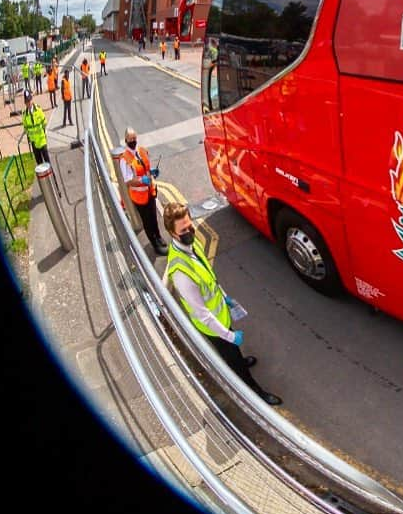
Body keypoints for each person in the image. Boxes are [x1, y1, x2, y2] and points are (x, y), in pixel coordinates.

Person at [162, 201, 282, 406]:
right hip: (213, 326)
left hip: (221, 315)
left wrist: (224, 296)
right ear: (173, 234)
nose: (189, 230)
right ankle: (254, 393)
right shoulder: (181, 273)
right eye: (183, 229)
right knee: (233, 359)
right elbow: (202, 314)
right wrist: (229, 335)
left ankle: (239, 363)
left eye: (189, 225)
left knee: (234, 355)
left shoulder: (191, 245)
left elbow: (209, 277)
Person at [119, 127, 167, 255]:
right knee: (147, 221)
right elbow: (128, 181)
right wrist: (142, 181)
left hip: (149, 191)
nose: (133, 141)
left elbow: (145, 168)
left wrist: (151, 173)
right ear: (126, 140)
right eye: (131, 139)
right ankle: (155, 244)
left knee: (153, 217)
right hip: (139, 195)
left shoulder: (141, 150)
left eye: (135, 138)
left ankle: (158, 237)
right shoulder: (125, 159)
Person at [20, 90, 50, 166]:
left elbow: (44, 122)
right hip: (34, 143)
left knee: (47, 162)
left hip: (42, 140)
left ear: (31, 99)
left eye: (29, 100)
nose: (28, 103)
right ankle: (43, 178)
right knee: (39, 164)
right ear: (25, 103)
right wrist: (29, 137)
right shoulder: (24, 115)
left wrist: (43, 132)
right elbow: (26, 128)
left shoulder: (38, 109)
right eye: (27, 101)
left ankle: (52, 177)